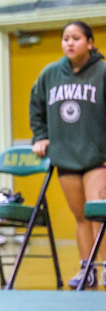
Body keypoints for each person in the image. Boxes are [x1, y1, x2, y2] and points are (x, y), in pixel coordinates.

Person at [30, 21, 106, 290]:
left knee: (98, 215)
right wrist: (40, 136)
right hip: (65, 155)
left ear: (90, 43)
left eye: (76, 38)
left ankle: (105, 267)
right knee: (81, 217)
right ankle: (87, 270)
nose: (70, 43)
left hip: (96, 156)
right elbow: (36, 107)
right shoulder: (50, 74)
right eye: (65, 38)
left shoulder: (102, 71)